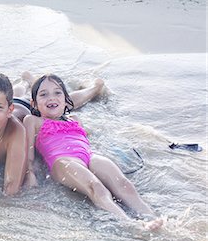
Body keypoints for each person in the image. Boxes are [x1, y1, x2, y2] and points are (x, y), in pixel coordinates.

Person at [23, 74, 163, 230]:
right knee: (96, 187)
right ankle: (132, 225)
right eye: (44, 94)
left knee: (123, 184)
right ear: (34, 104)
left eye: (57, 93)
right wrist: (31, 174)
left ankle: (151, 217)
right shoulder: (33, 121)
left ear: (66, 99)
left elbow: (84, 141)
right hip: (62, 161)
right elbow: (27, 153)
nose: (51, 98)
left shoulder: (75, 118)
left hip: (89, 156)